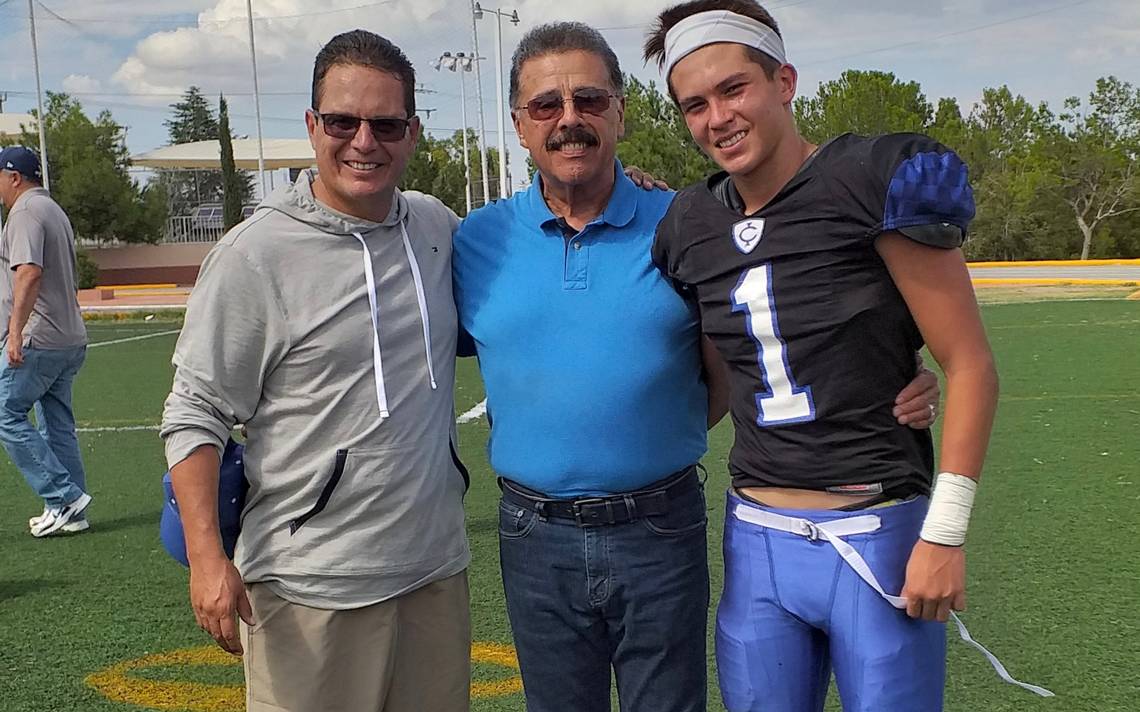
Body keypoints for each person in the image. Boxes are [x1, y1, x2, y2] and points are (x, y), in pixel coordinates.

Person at [451, 22, 941, 712]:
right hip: (535, 537)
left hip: (659, 524)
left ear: (621, 110)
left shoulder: (685, 221)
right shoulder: (475, 240)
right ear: (518, 125)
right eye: (546, 106)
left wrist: (900, 371)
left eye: (590, 101)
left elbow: (751, 352)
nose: (570, 121)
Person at [644, 2, 1050, 709]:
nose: (717, 118)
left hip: (878, 528)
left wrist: (946, 532)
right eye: (694, 105)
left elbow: (971, 364)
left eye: (734, 88)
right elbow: (734, 361)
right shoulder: (690, 221)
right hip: (757, 538)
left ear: (784, 81)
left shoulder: (872, 178)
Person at [160, 30, 471, 712]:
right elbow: (195, 409)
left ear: (412, 132)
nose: (365, 141)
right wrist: (209, 561)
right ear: (312, 125)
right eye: (343, 121)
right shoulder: (255, 254)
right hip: (308, 588)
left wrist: (628, 185)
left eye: (386, 124)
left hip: (433, 575)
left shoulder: (436, 227)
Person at [0, 145, 91, 538]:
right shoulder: (52, 209)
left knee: (5, 413)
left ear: (14, 177)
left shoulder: (23, 212)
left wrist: (15, 332)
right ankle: (70, 509)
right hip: (69, 335)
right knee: (56, 423)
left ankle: (63, 495)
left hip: (41, 335)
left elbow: (29, 272)